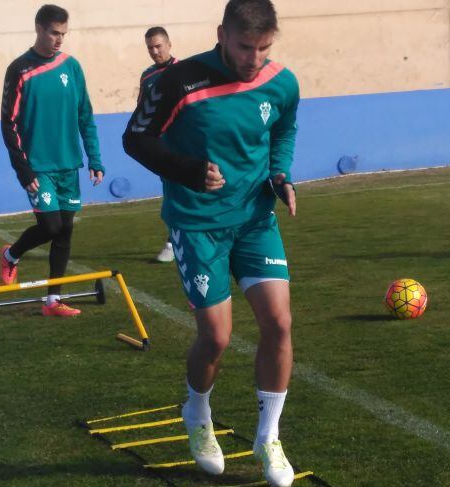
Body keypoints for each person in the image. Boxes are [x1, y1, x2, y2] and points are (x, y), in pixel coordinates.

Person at [122, 0, 298, 485]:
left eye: (263, 47)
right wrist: (189, 171)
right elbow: (135, 140)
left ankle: (268, 437)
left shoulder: (281, 82)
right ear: (222, 34)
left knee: (279, 324)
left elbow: (283, 130)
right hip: (196, 224)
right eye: (245, 46)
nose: (253, 58)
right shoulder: (175, 82)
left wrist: (280, 174)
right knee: (216, 337)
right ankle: (197, 413)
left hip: (255, 219)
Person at [0, 4, 104, 317]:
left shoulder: (72, 67)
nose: (59, 39)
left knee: (65, 231)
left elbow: (85, 115)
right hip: (38, 167)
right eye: (54, 33)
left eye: (63, 34)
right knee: (50, 225)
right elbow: (9, 123)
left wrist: (94, 157)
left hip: (68, 165)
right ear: (39, 28)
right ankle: (11, 254)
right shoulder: (20, 69)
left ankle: (52, 302)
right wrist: (23, 168)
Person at [138, 26, 178, 263]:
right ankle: (173, 241)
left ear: (169, 44)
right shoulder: (148, 76)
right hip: (161, 147)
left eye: (158, 46)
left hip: (185, 143)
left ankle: (176, 241)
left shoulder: (184, 70)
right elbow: (142, 111)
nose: (154, 51)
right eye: (150, 48)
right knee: (171, 193)